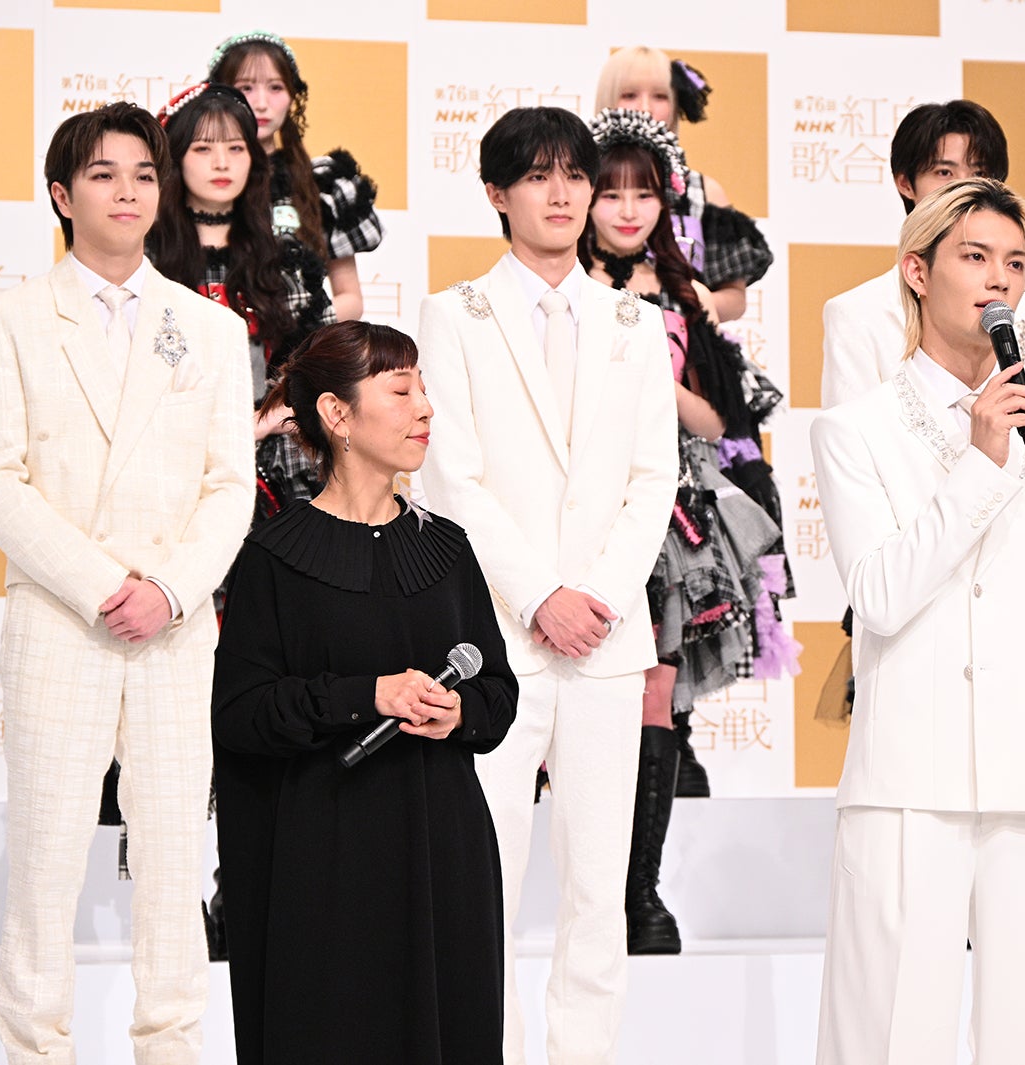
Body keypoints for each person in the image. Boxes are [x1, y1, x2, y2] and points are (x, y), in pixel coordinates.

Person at [0, 101, 255, 1065]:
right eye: (103, 174)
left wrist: (168, 589)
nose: (128, 191)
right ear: (62, 194)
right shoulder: (7, 320)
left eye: (142, 173)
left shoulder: (209, 329)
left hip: (175, 629)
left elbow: (231, 486)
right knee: (46, 860)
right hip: (62, 623)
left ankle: (170, 1049)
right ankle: (33, 1050)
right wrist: (103, 586)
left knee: (174, 864)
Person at [809, 177, 1025, 1065]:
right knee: (887, 1034)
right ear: (917, 271)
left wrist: (1020, 689)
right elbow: (879, 594)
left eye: (1015, 263)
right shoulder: (856, 430)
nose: (998, 281)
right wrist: (981, 461)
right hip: (910, 771)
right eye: (974, 257)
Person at [417, 106, 677, 1065]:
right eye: (537, 176)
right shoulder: (454, 315)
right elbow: (450, 478)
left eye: (576, 175)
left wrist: (595, 596)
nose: (563, 194)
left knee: (597, 891)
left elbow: (654, 476)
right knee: (486, 882)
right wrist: (538, 598)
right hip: (493, 643)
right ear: (497, 193)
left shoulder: (635, 322)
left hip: (606, 643)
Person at [212, 320, 519, 1065]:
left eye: (423, 389)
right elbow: (242, 714)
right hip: (327, 858)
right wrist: (366, 695)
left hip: (444, 850)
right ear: (337, 414)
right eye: (401, 390)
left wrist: (459, 712)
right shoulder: (274, 556)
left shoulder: (447, 547)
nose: (425, 409)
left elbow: (498, 691)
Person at [581, 107, 798, 955]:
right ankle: (586, 886)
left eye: (643, 194)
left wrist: (651, 358)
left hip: (669, 521)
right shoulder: (558, 287)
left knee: (655, 693)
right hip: (577, 513)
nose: (627, 210)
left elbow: (717, 419)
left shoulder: (678, 295)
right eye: (610, 193)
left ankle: (639, 892)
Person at [150, 80, 333, 521]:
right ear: (175, 158)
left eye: (236, 148)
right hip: (168, 461)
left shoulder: (287, 259)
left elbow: (325, 366)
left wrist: (265, 421)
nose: (222, 163)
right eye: (203, 149)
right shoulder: (144, 260)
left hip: (276, 462)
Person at [821, 100, 1025, 410]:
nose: (963, 186)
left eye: (980, 172)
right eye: (945, 172)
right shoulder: (858, 314)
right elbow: (848, 433)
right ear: (905, 183)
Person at [209, 30, 382, 323]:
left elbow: (350, 297)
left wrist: (297, 326)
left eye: (275, 87)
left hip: (298, 346)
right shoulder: (198, 179)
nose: (261, 103)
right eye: (246, 87)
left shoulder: (321, 184)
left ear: (292, 95)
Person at [595, 45, 772, 323]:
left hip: (685, 342)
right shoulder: (582, 183)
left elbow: (734, 299)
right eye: (629, 95)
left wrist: (680, 306)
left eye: (660, 96)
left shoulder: (704, 192)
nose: (645, 107)